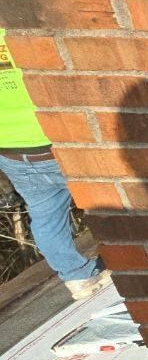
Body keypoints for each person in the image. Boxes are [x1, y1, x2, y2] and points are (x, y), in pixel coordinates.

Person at [0, 26, 109, 301]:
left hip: (11, 152)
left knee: (45, 216)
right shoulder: (16, 30)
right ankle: (136, 258)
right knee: (107, 199)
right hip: (55, 141)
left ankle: (77, 277)